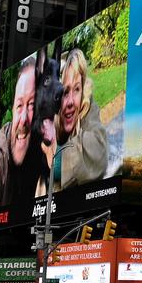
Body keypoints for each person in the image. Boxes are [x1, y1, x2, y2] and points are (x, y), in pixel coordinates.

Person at [43, 48, 109, 192]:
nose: (71, 101)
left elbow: (99, 149)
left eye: (77, 89)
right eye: (66, 92)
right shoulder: (49, 114)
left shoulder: (87, 106)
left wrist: (59, 157)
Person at [0, 57, 42, 209]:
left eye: (32, 105)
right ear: (12, 109)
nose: (23, 119)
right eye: (19, 105)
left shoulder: (44, 146)